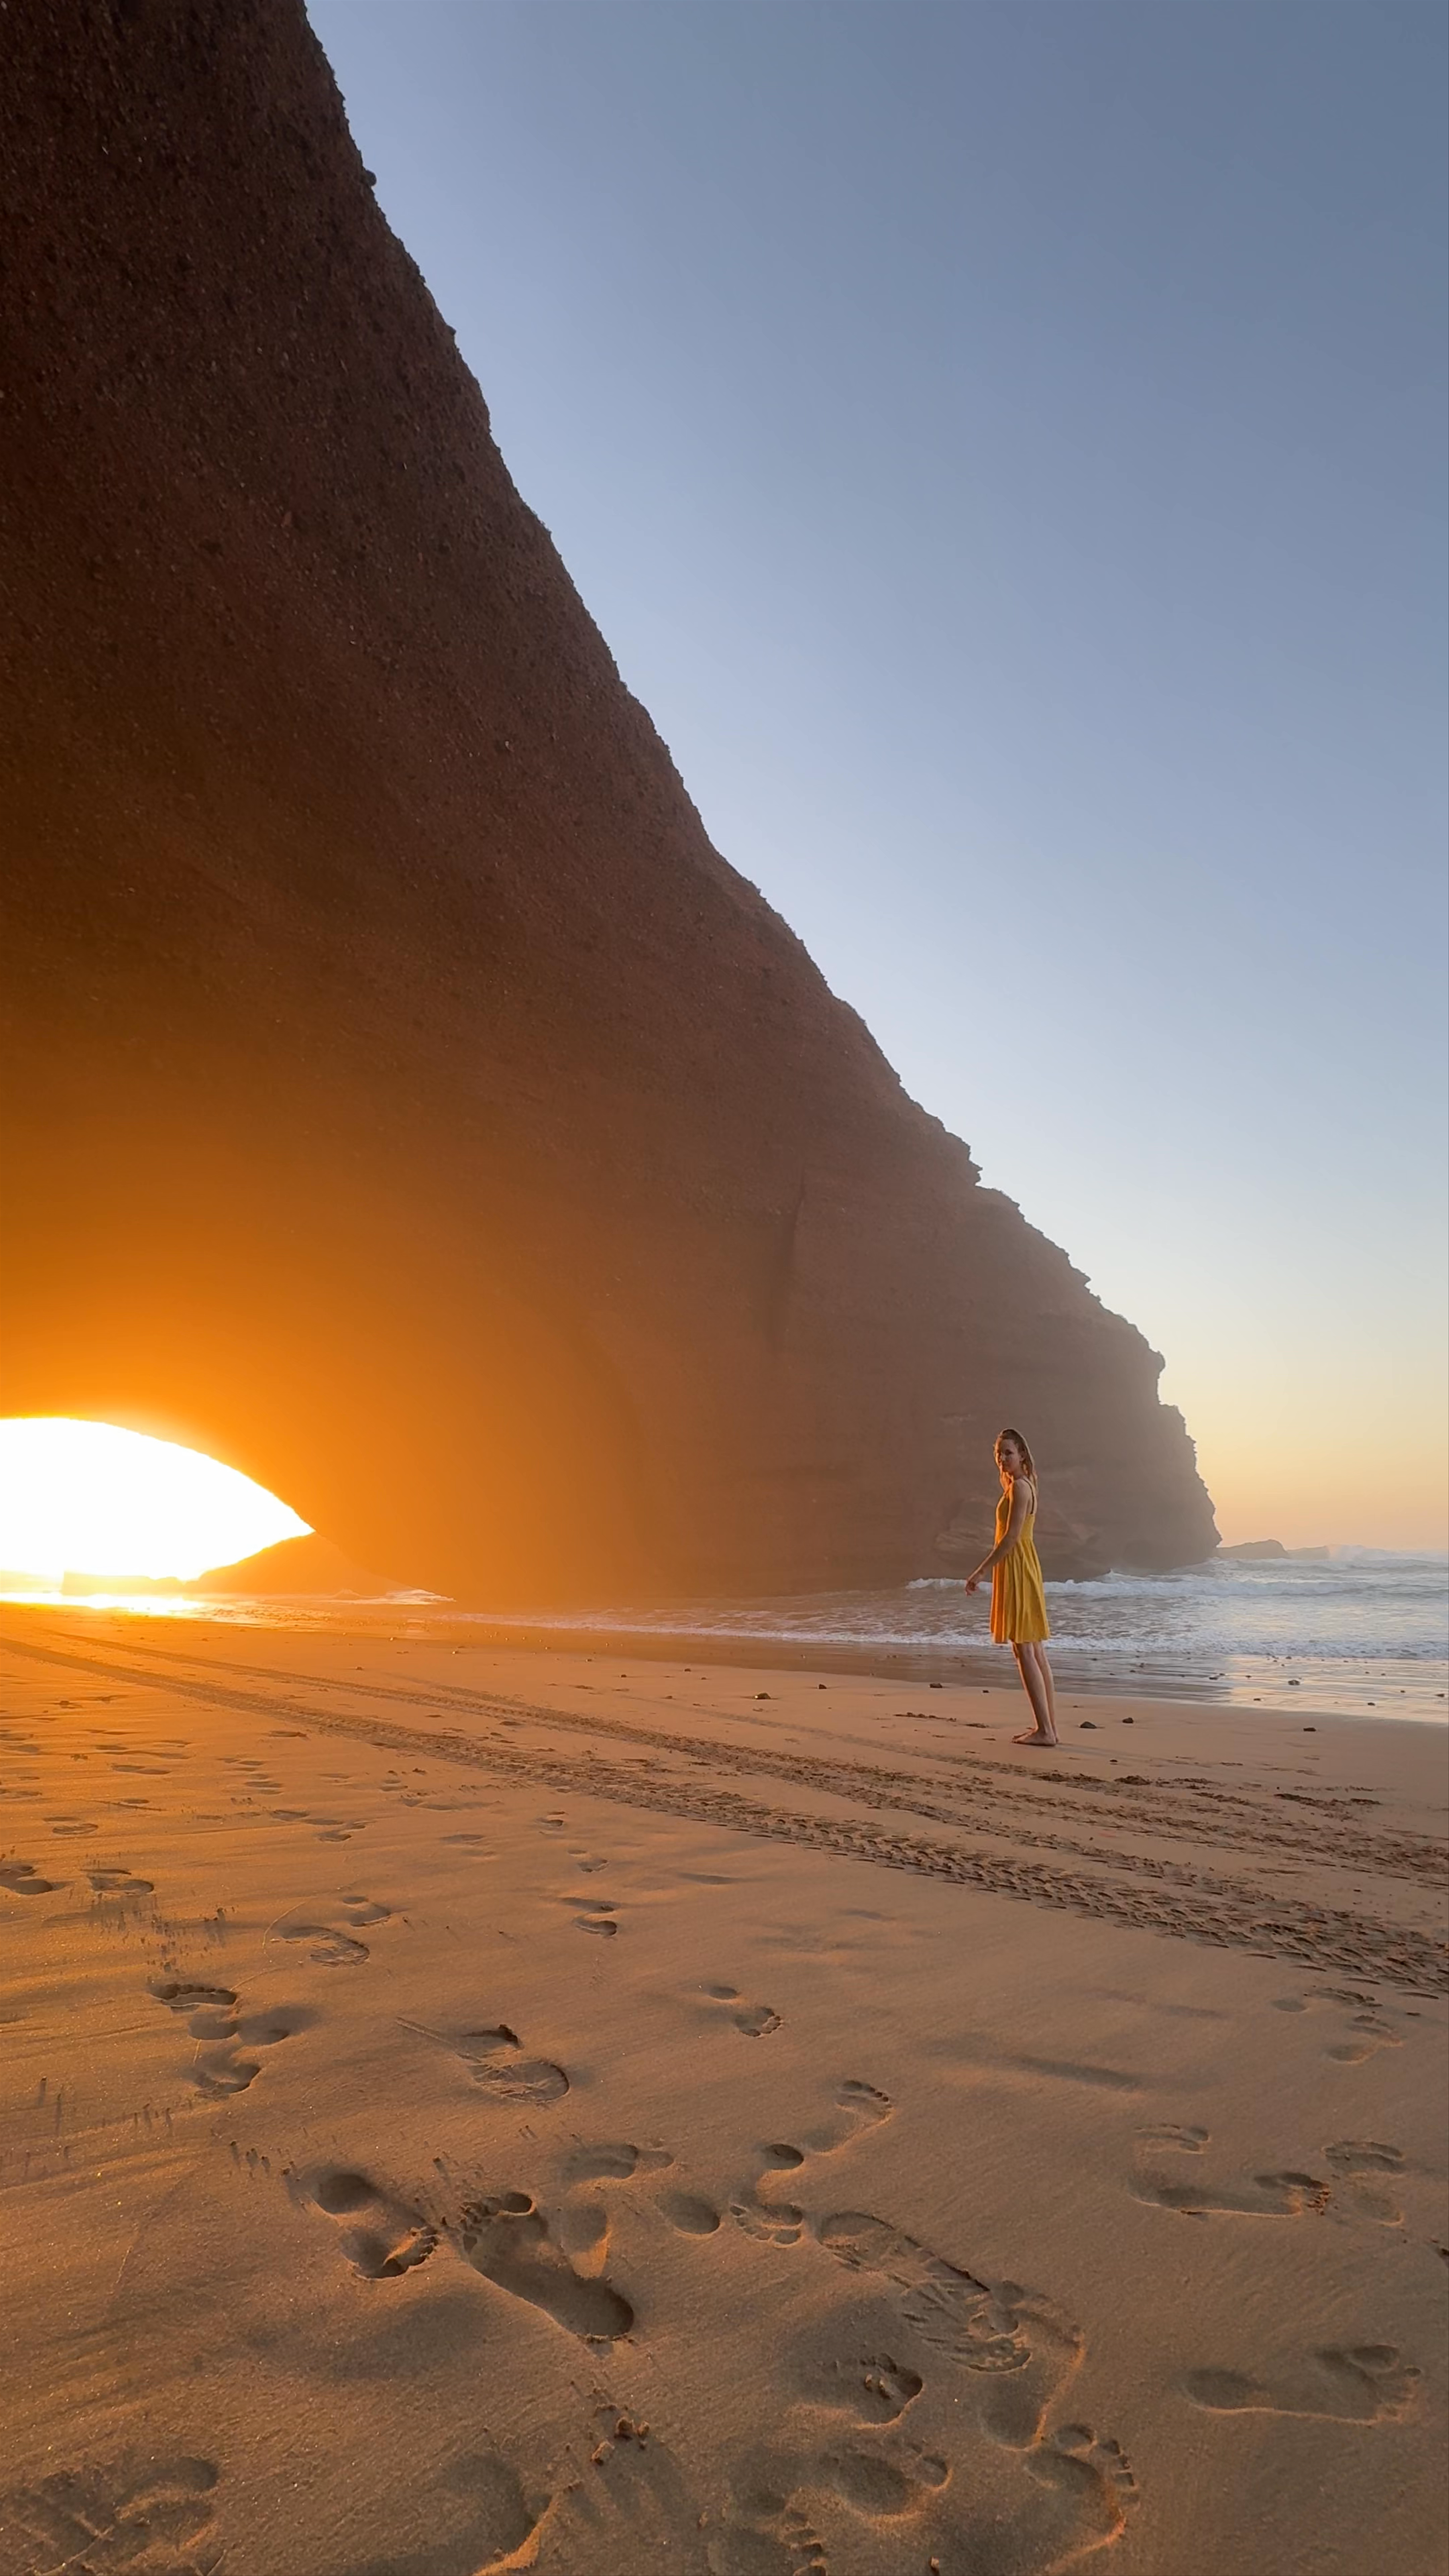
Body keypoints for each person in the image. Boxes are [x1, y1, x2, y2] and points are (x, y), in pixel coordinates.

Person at [965, 1428, 1059, 1746]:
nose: (1003, 1459)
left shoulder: (1020, 1487)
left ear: (1022, 1454)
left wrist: (981, 1571)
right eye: (999, 1454)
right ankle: (1049, 1728)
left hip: (1019, 1566)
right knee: (1034, 1648)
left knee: (1025, 1648)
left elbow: (1011, 1538)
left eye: (1008, 1452)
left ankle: (1045, 1730)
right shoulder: (1023, 1485)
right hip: (1023, 1565)